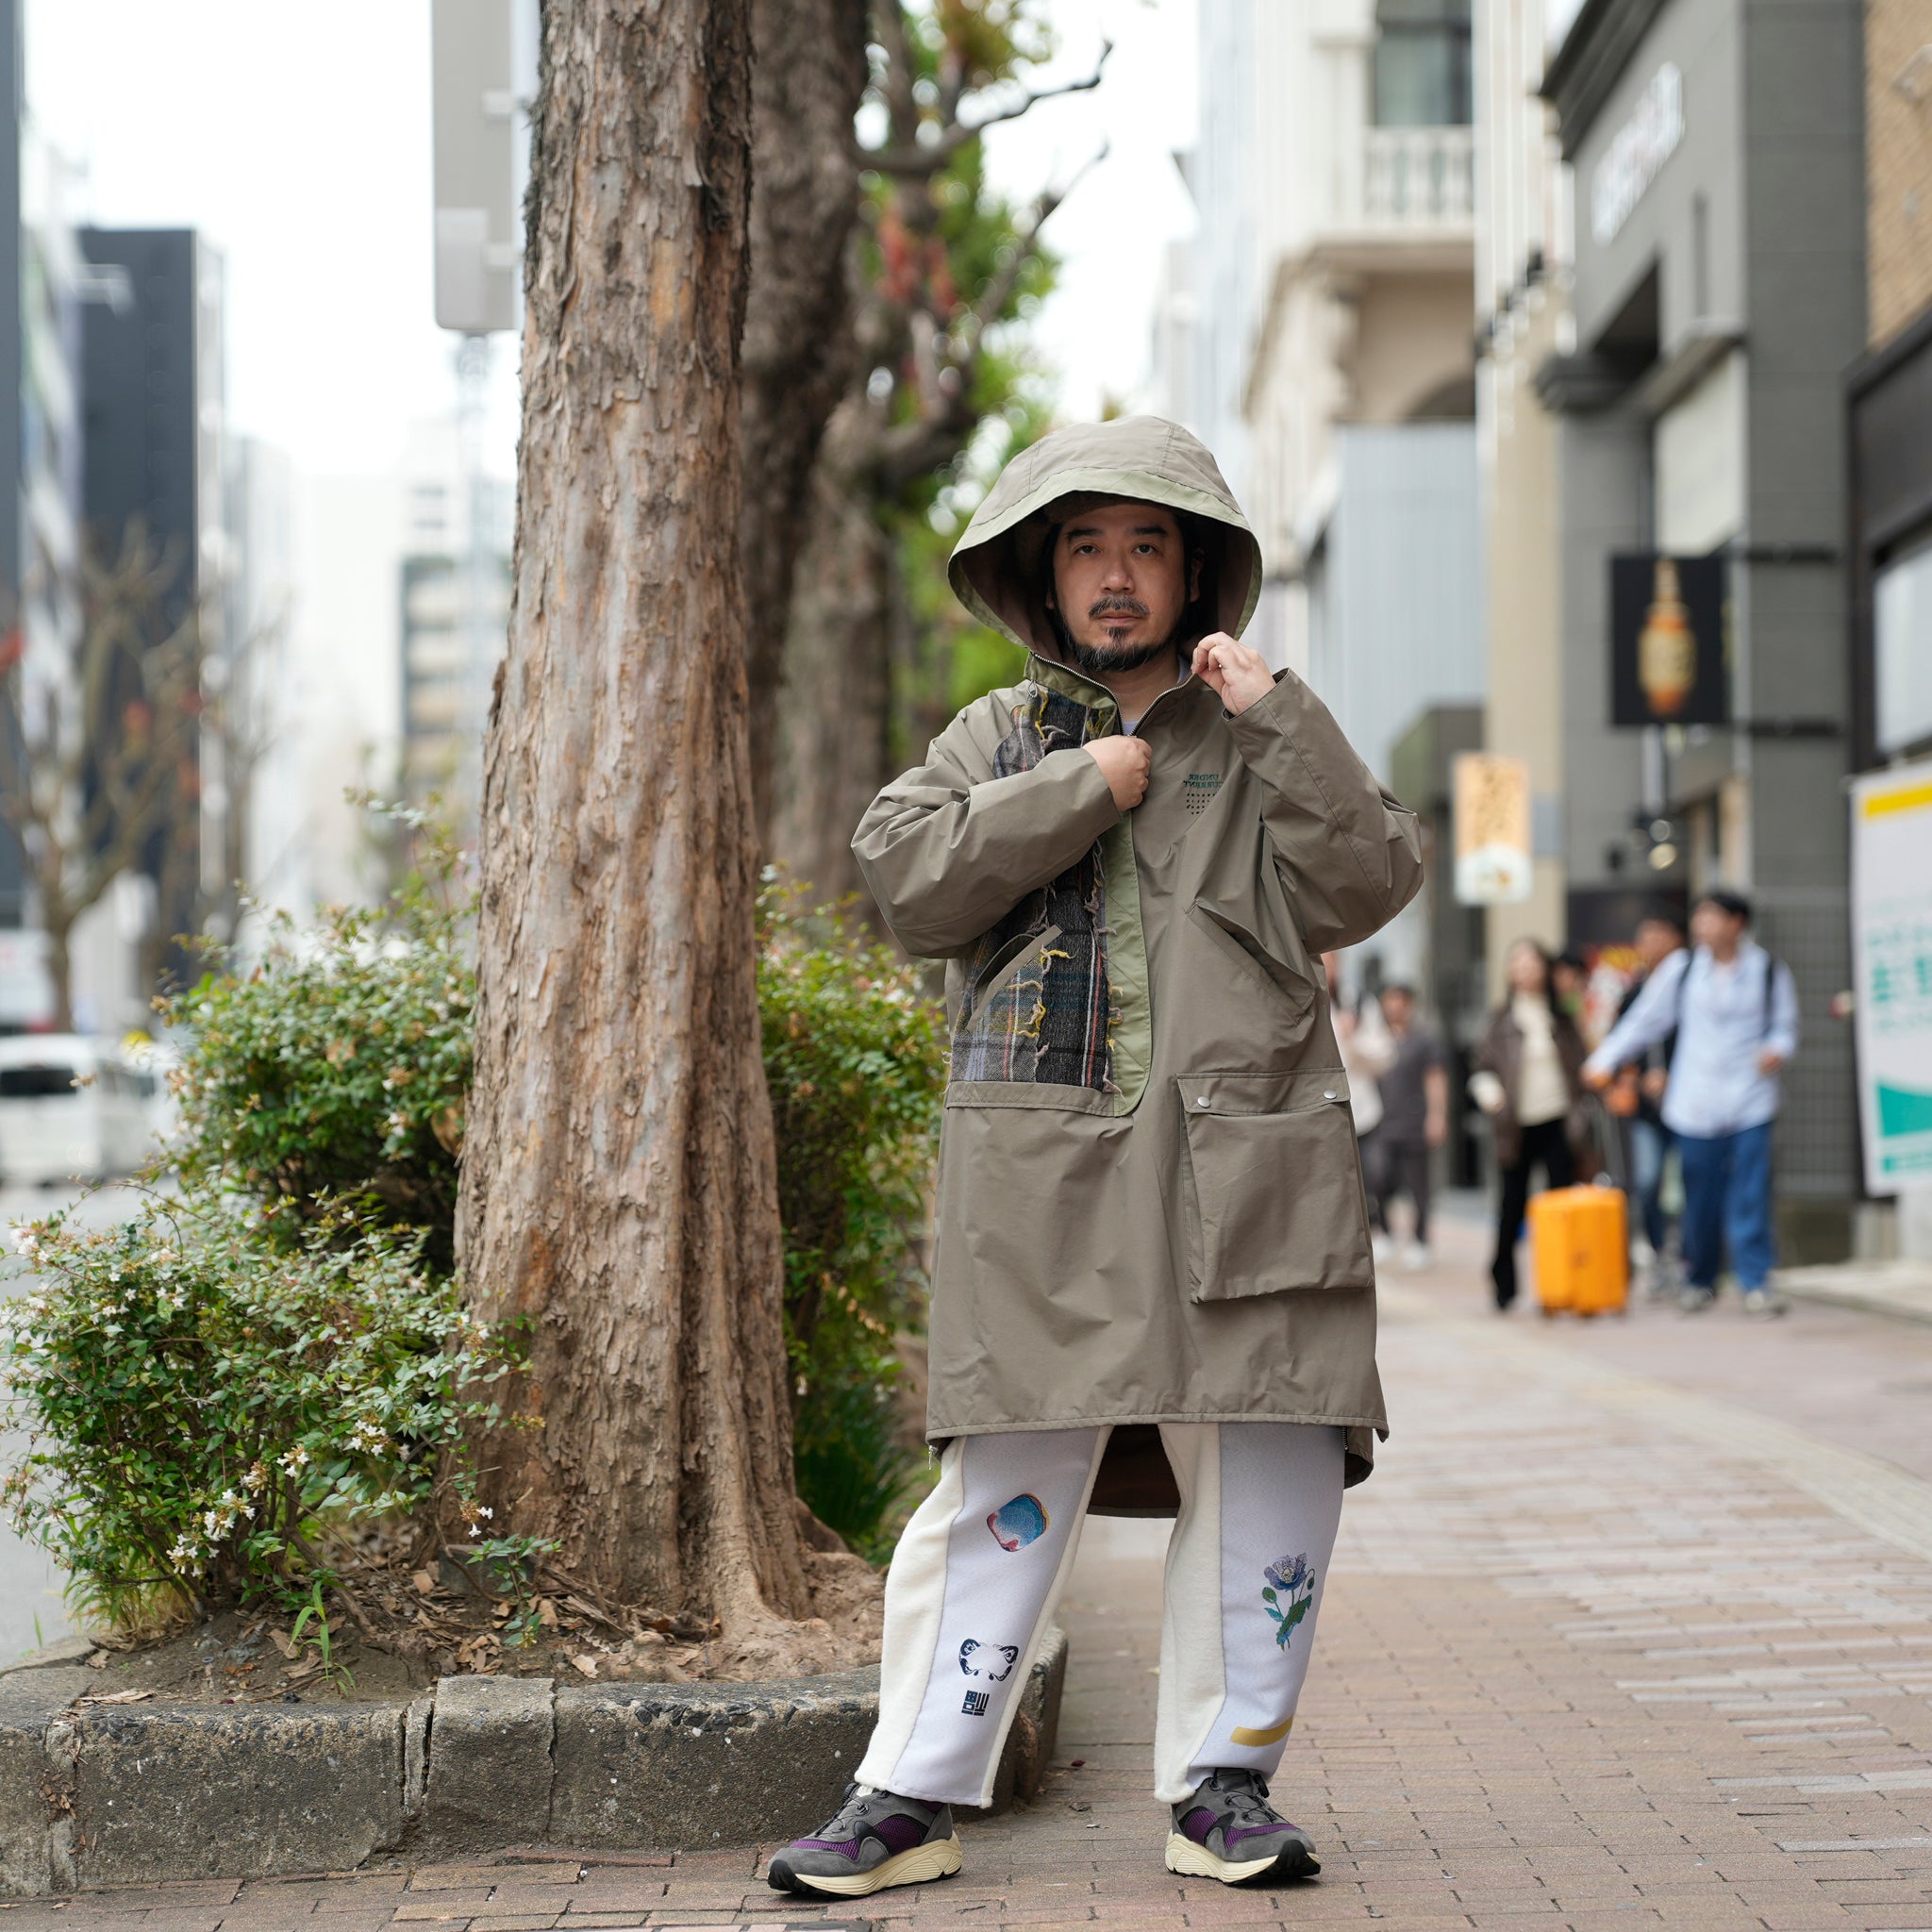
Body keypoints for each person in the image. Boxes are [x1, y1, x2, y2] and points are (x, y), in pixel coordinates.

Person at [767, 415, 1423, 1901]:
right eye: (1085, 547)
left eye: (1145, 544)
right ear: (1040, 577)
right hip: (1046, 1179)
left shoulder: (1261, 734)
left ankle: (1223, 1787)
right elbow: (907, 876)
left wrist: (1279, 714)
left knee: (1266, 1462)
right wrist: (1087, 786)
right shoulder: (998, 739)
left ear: (1196, 570)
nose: (1116, 577)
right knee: (1006, 1478)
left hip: (1248, 1174)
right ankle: (908, 1796)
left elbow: (1371, 875)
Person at [1584, 890, 1798, 1317]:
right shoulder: (1682, 971)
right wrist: (1604, 1059)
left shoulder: (1767, 970)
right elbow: (1645, 1020)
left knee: (1750, 1194)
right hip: (1695, 1103)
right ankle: (1700, 1279)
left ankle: (1755, 1280)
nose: (1701, 925)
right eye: (1699, 917)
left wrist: (1777, 1049)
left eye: (1711, 917)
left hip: (1751, 1100)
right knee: (1698, 1197)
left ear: (1736, 923)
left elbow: (1785, 1028)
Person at [1469, 939, 1589, 1310]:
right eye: (1517, 962)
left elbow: (1582, 1066)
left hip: (1559, 1121)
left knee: (1560, 1206)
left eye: (1531, 962)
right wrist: (1490, 1095)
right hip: (1515, 1126)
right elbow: (1480, 1068)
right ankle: (1503, 1285)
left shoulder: (1563, 1018)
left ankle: (1560, 1285)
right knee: (1512, 1206)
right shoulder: (1500, 1020)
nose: (1524, 969)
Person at [1605, 908, 1687, 1296]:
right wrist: (1632, 1079)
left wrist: (1673, 1073)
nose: (1651, 943)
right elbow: (1619, 1043)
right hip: (1646, 1110)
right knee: (1648, 1181)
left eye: (1659, 933)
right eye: (1645, 935)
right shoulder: (1634, 991)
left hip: (1689, 1104)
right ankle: (1658, 1256)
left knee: (1689, 1182)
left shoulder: (1691, 985)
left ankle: (1686, 1257)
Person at [1326, 953, 1397, 1254]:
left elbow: (1385, 1055)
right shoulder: (1295, 995)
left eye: (1331, 957)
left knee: (1374, 1173)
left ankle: (1375, 1230)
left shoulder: (1357, 1002)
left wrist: (1352, 1039)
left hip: (1362, 1109)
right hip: (1321, 1112)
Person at [1374, 983, 1448, 1268]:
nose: (1394, 1006)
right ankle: (1385, 1233)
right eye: (1389, 1000)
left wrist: (1437, 1115)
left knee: (1419, 1186)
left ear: (1410, 1004)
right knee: (1378, 1177)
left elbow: (1436, 1078)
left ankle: (1420, 1240)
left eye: (1400, 1000)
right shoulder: (1375, 1039)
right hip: (1382, 1123)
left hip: (1415, 1121)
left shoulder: (1424, 1041)